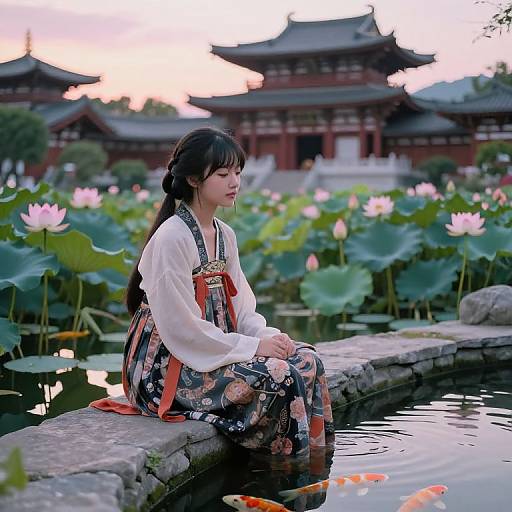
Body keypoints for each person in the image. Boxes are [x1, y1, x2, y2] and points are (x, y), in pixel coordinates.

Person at [91, 127, 333, 457]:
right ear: (193, 179)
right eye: (223, 174)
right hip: (167, 367)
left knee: (307, 360)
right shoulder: (171, 238)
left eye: (237, 172)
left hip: (216, 348)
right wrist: (254, 348)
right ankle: (284, 474)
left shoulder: (224, 234)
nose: (235, 182)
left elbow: (242, 306)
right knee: (281, 376)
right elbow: (182, 329)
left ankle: (314, 463)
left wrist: (269, 338)